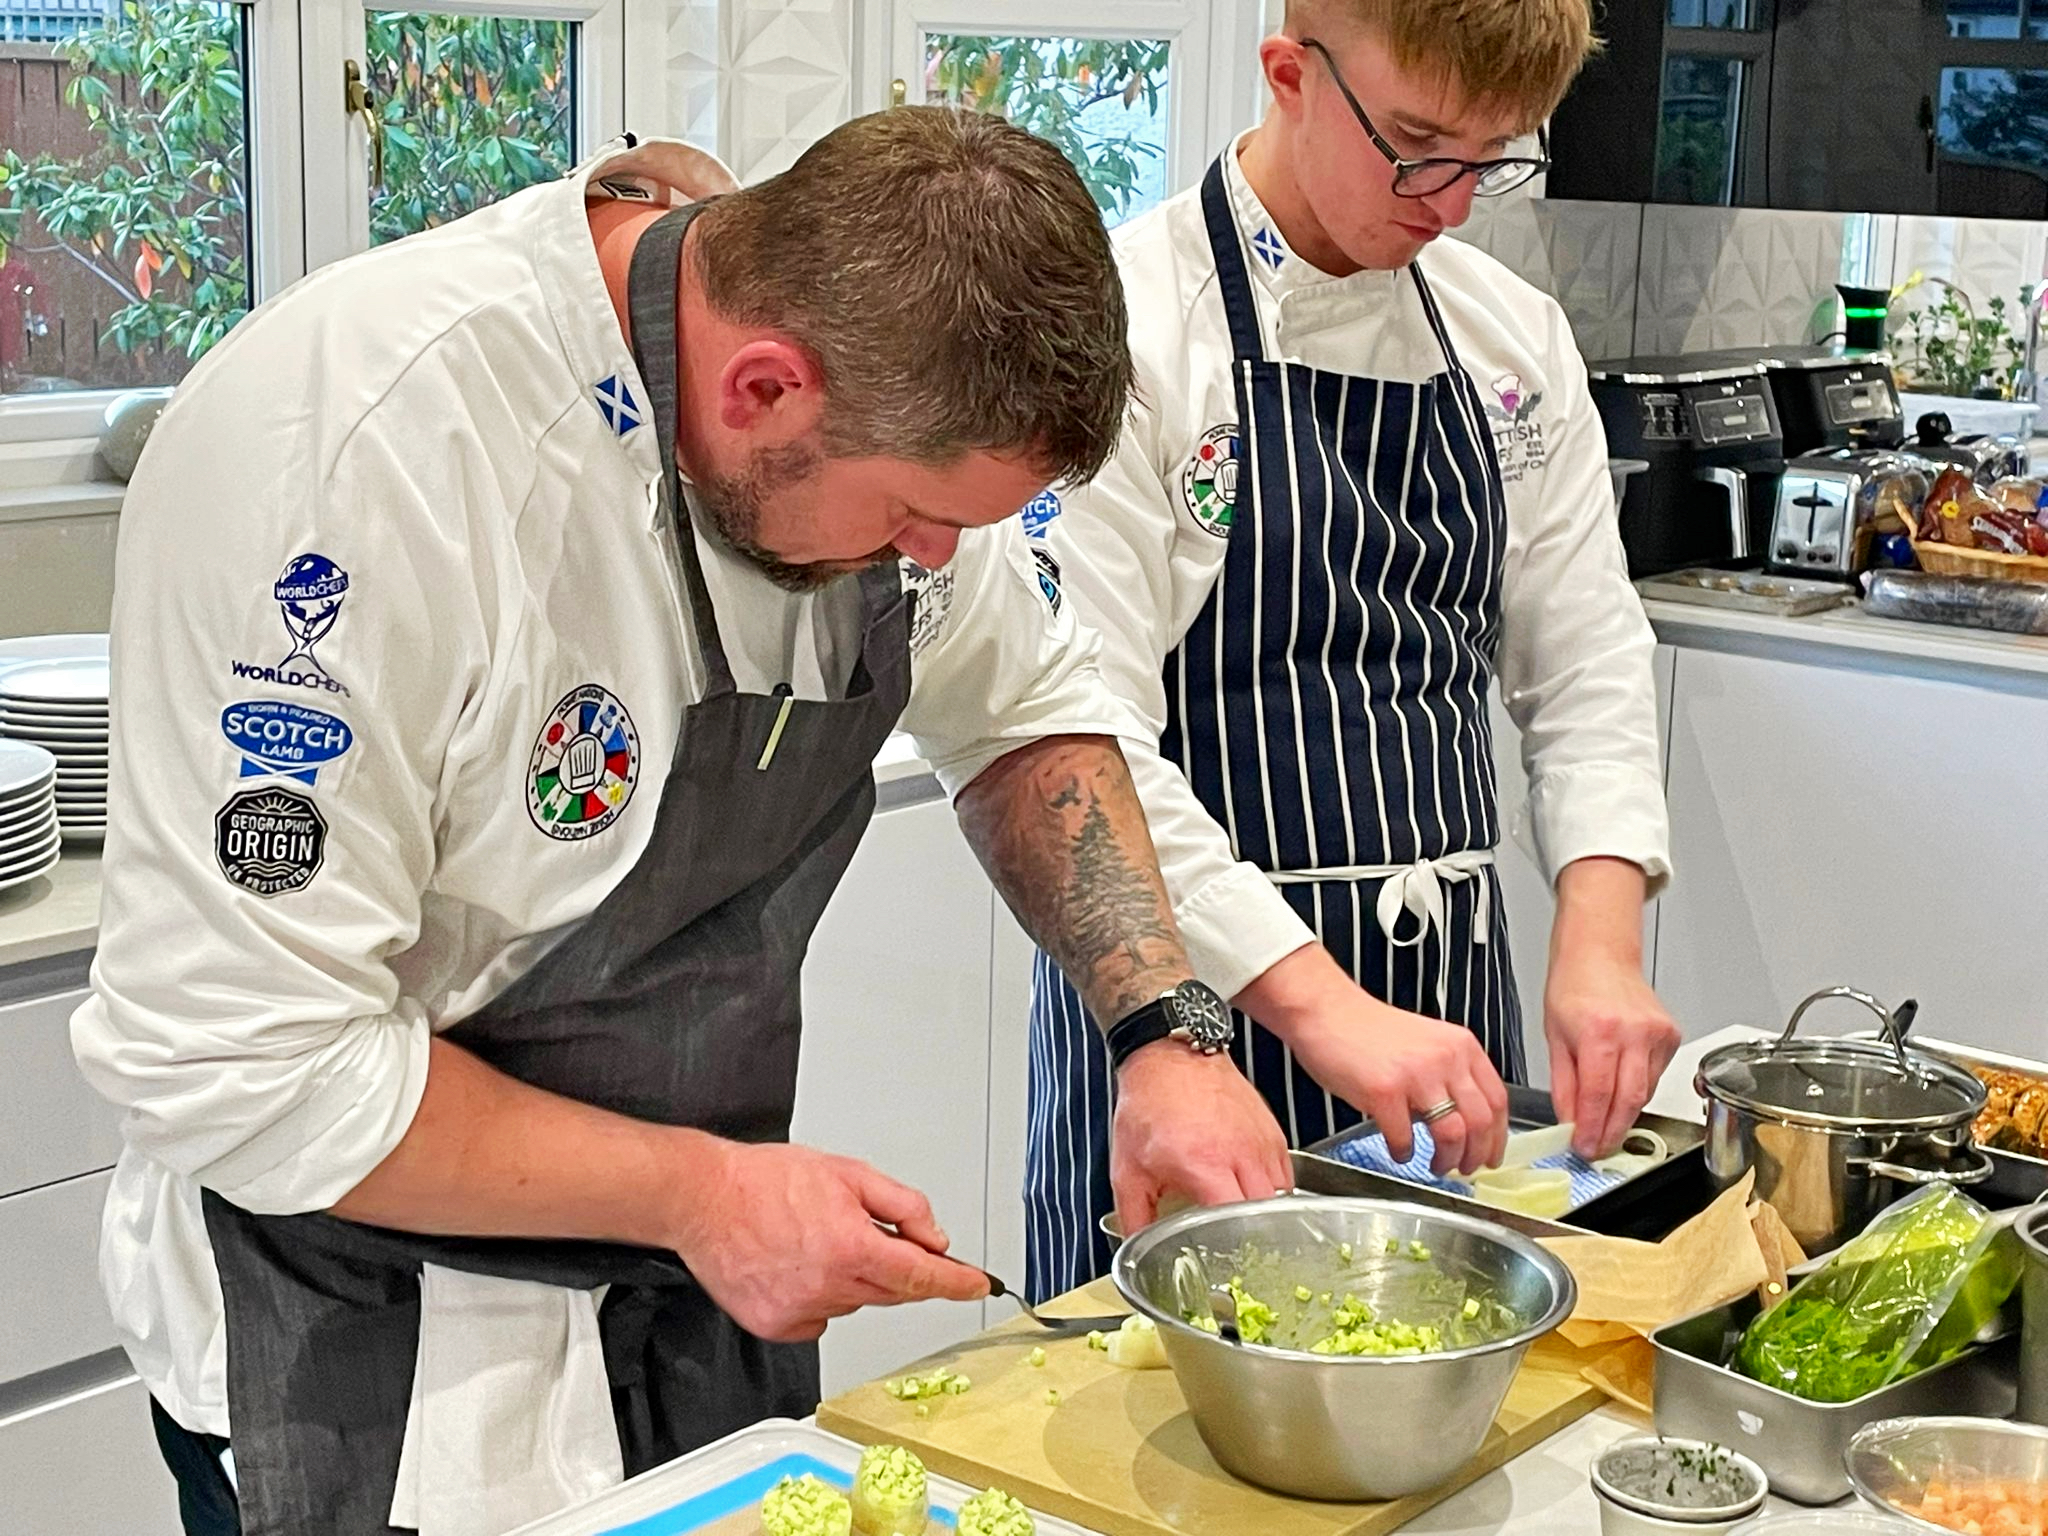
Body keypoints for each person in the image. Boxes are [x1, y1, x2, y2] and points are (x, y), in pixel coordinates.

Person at [72, 108, 1292, 1536]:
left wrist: (1163, 1029)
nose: (932, 565)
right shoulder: (356, 456)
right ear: (766, 388)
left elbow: (1024, 709)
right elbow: (242, 1061)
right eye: (910, 519)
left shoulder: (853, 412)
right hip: (370, 1351)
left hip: (687, 1334)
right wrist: (704, 1196)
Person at [1023, 0, 1683, 1298]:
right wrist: (1324, 1011)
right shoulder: (1129, 331)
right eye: (1420, 146)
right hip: (1189, 1013)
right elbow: (1079, 741)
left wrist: (1600, 938)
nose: (1451, 203)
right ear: (1289, 75)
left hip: (1439, 1016)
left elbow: (1589, 658)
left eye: (1493, 159)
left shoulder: (1510, 341)